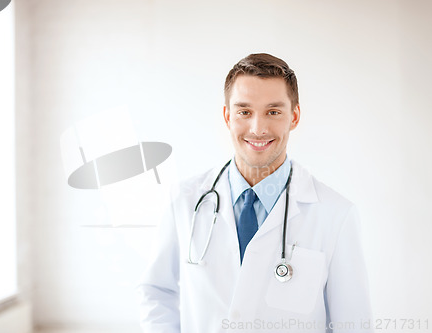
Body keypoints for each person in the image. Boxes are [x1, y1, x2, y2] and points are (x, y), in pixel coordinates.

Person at [137, 53, 373, 333]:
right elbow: (157, 292)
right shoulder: (185, 200)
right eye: (244, 112)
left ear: (294, 117)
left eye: (273, 112)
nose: (258, 128)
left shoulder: (335, 214)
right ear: (227, 116)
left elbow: (353, 325)